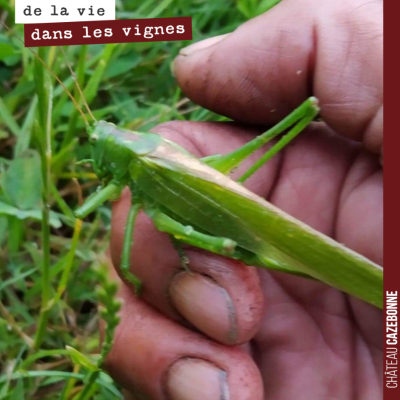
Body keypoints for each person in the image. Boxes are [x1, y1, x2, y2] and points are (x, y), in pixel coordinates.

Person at [106, 0, 383, 399]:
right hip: (230, 218)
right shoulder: (142, 155)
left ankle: (371, 283)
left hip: (229, 223)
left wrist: (130, 273)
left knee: (198, 241)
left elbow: (125, 256)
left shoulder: (145, 164)